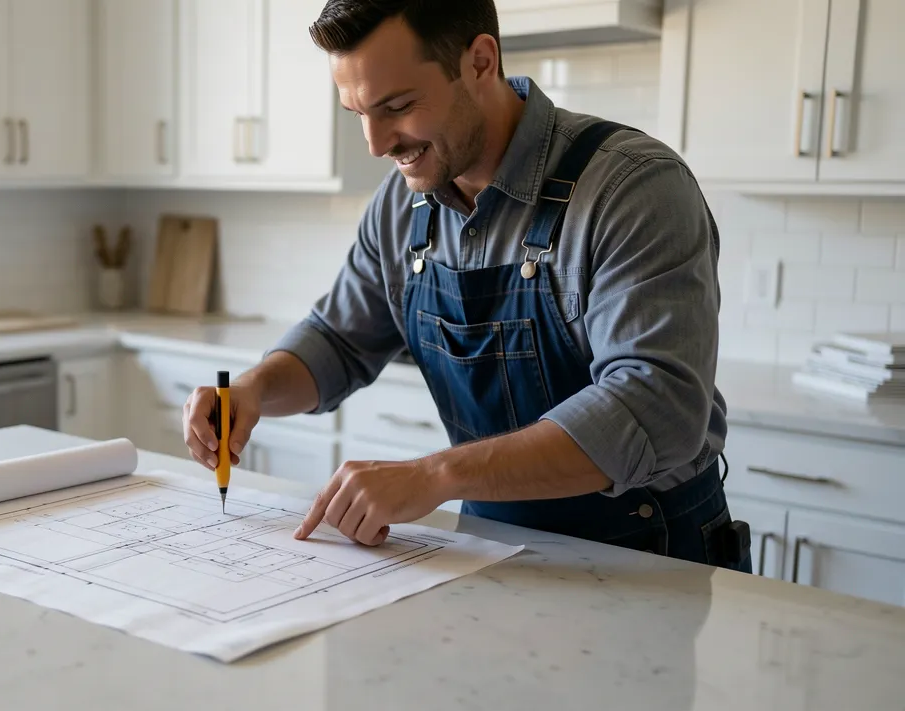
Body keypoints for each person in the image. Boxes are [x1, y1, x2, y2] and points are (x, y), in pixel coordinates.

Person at [180, 0, 752, 571]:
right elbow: (338, 340)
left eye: (398, 106)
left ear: (480, 61)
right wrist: (252, 391)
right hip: (490, 544)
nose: (377, 144)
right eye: (358, 112)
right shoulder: (401, 204)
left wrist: (435, 475)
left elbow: (656, 410)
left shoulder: (634, 188)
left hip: (649, 555)